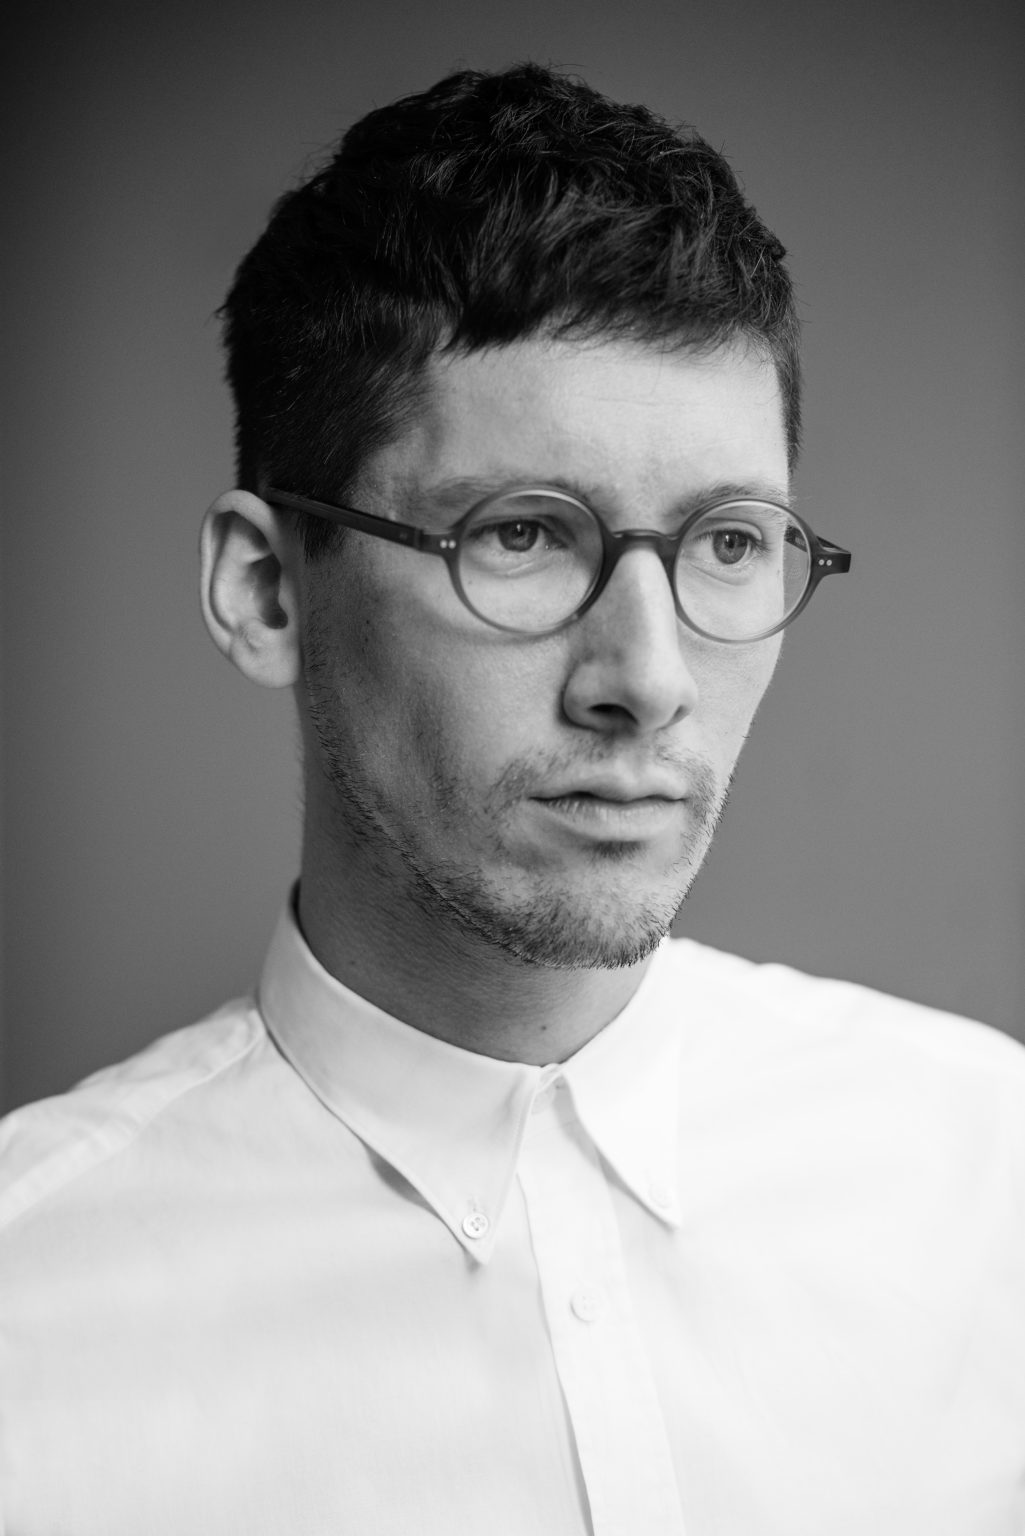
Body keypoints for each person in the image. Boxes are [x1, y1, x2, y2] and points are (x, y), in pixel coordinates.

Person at [1, 62, 1023, 1536]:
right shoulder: (34, 1324)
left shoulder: (989, 1180)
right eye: (523, 536)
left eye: (729, 543)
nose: (647, 679)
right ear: (267, 589)